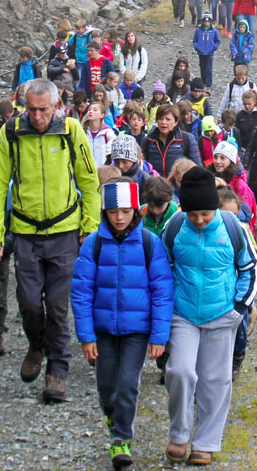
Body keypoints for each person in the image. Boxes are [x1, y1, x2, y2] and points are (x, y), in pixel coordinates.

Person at [0, 79, 101, 403]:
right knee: (27, 302)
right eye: (32, 110)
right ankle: (36, 344)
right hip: (25, 233)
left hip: (65, 231)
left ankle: (58, 369)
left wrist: (89, 230)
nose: (37, 117)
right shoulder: (10, 133)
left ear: (55, 105)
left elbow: (89, 182)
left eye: (43, 110)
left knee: (56, 304)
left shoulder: (70, 130)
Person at [72, 180, 175, 470]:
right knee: (106, 385)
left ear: (135, 211)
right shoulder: (94, 243)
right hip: (102, 329)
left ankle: (121, 438)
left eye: (126, 211)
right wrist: (86, 335)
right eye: (114, 211)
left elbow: (162, 290)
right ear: (104, 211)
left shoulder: (148, 243)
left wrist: (159, 335)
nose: (120, 218)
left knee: (128, 383)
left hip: (136, 330)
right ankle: (112, 415)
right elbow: (81, 291)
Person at [162, 167, 257, 465]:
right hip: (183, 313)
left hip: (222, 314)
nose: (199, 220)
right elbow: (162, 269)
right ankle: (178, 434)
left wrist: (238, 309)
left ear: (215, 207)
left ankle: (205, 442)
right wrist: (164, 310)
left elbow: (250, 270)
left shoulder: (233, 228)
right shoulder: (175, 226)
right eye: (193, 214)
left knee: (216, 379)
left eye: (205, 213)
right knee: (179, 372)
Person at [140, 103, 202, 176]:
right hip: (155, 184)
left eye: (168, 119)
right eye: (160, 119)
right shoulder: (148, 140)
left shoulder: (187, 139)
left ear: (176, 122)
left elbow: (197, 167)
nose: (163, 122)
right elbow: (143, 167)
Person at [207, 140, 256, 219]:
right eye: (215, 157)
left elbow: (246, 213)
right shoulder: (209, 179)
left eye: (222, 158)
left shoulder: (240, 185)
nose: (217, 161)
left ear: (231, 160)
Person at [84, 102, 118, 167]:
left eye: (95, 110)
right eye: (89, 109)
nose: (91, 111)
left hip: (103, 171)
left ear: (102, 115)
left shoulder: (107, 133)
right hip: (86, 171)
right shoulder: (83, 132)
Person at [193, 13, 221, 89]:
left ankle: (208, 85)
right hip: (201, 52)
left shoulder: (214, 30)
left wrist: (214, 47)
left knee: (209, 69)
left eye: (208, 22)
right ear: (202, 21)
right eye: (205, 21)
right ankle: (203, 82)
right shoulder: (198, 30)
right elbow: (195, 40)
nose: (206, 23)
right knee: (202, 68)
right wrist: (196, 47)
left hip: (209, 53)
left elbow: (217, 41)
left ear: (210, 22)